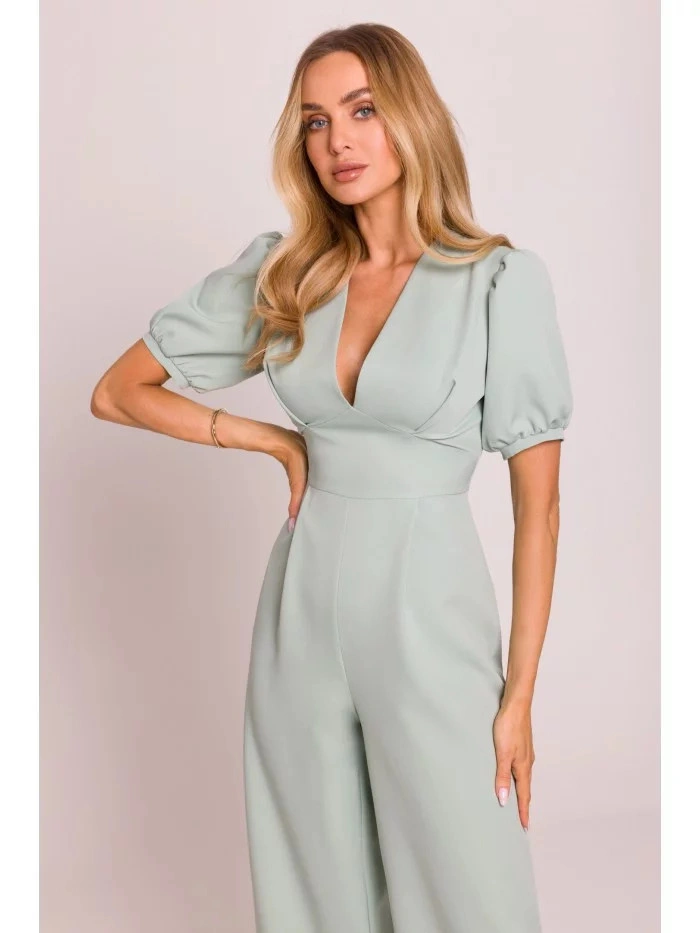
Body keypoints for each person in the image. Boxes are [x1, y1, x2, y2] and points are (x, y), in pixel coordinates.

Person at [91, 22, 573, 933]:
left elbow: (539, 507)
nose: (337, 141)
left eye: (361, 110)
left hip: (429, 614)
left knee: (471, 886)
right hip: (300, 610)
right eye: (315, 121)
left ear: (412, 117)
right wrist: (271, 441)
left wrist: (518, 696)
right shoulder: (290, 276)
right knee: (313, 885)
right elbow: (118, 392)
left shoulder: (497, 282)